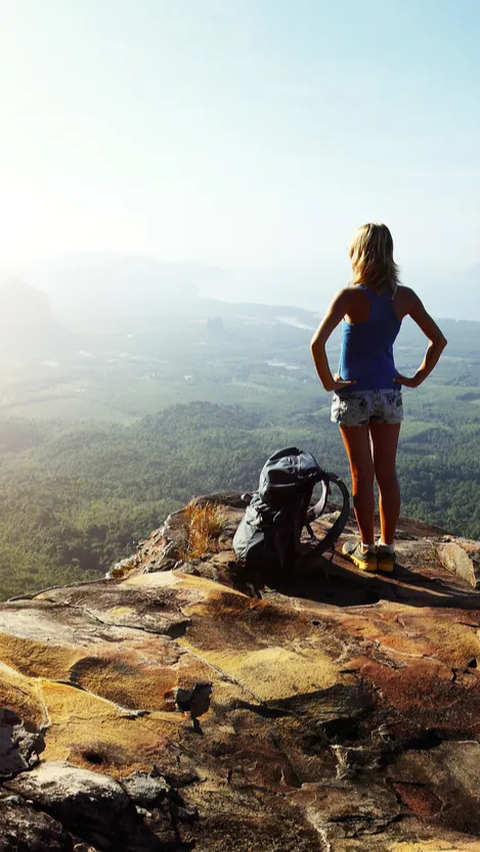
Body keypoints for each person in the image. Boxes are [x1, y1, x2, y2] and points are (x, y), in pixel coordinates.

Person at [310, 223, 447, 573]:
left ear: (360, 254)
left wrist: (330, 382)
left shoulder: (349, 296)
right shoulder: (404, 297)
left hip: (353, 394)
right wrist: (416, 377)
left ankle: (367, 550)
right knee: (387, 472)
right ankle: (387, 550)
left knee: (361, 473)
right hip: (389, 393)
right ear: (388, 253)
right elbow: (438, 340)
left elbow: (317, 344)